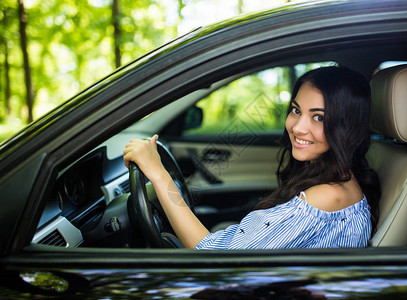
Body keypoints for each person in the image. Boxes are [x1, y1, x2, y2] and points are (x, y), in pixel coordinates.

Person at [123, 66, 380, 250]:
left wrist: (158, 173)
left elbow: (212, 259)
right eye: (296, 110)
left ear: (346, 126)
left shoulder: (324, 199)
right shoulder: (342, 180)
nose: (298, 127)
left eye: (319, 117)